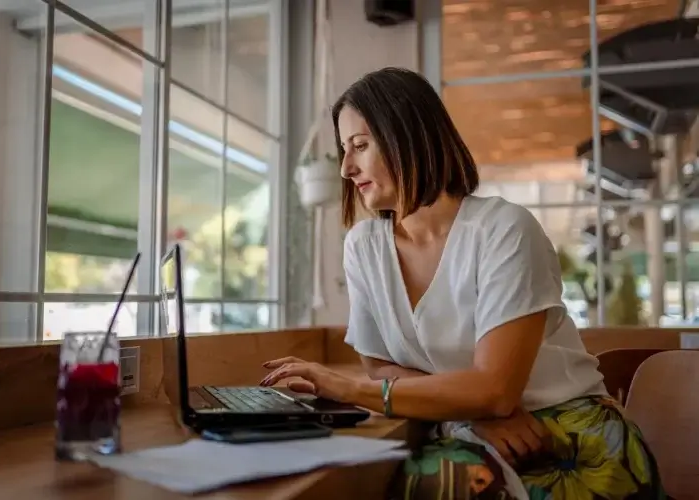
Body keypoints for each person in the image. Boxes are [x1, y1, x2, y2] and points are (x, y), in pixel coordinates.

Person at [260, 67, 665, 499]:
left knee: (425, 483)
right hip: (472, 428)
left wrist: (348, 389)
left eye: (359, 146)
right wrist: (470, 410)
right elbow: (379, 365)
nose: (345, 167)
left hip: (567, 442)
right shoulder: (363, 246)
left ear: (409, 138)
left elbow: (494, 388)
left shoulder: (503, 229)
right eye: (344, 149)